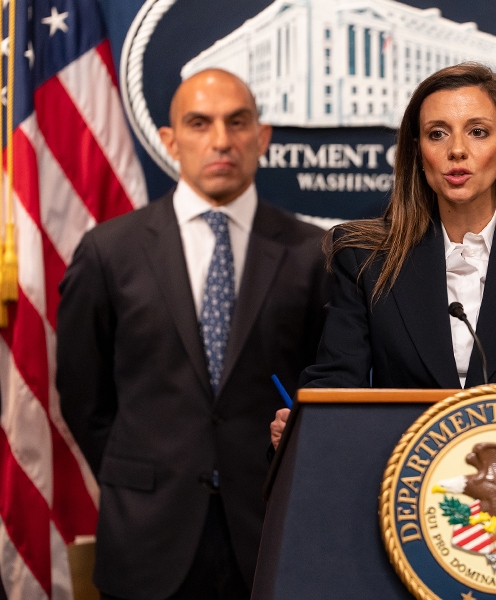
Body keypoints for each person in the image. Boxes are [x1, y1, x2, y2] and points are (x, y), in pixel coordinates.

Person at [57, 69, 329, 600]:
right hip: (146, 538)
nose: (221, 140)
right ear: (169, 140)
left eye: (237, 121)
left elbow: (327, 393)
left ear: (262, 136)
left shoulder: (314, 254)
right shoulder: (109, 252)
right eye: (199, 123)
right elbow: (83, 398)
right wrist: (147, 472)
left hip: (272, 532)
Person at [296, 62, 496, 394]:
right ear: (418, 152)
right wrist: (304, 420)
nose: (457, 150)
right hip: (402, 446)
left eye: (478, 132)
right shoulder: (365, 257)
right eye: (437, 134)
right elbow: (335, 388)